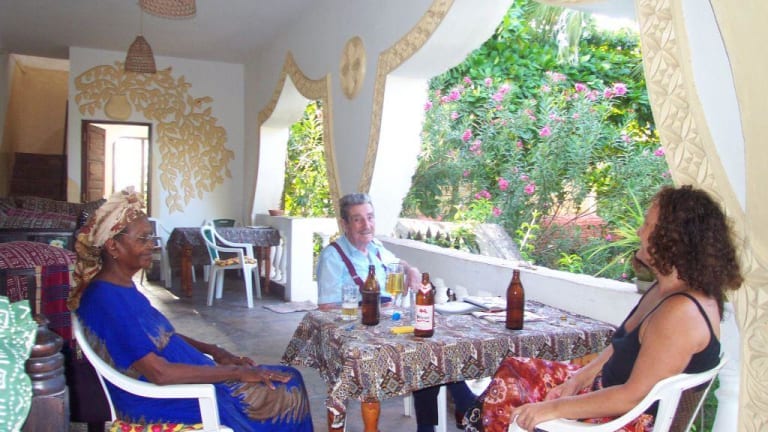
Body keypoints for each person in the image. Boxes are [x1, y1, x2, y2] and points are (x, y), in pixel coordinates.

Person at [464, 185, 743, 432]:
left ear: (672, 239)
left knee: (511, 397)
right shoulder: (665, 290)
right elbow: (618, 347)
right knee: (516, 369)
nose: (639, 232)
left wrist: (553, 409)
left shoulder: (681, 314)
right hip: (607, 394)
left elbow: (632, 397)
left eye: (648, 225)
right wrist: (577, 380)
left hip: (624, 420)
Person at [67, 188, 313, 432]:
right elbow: (160, 373)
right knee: (288, 389)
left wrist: (214, 351)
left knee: (287, 378)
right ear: (113, 246)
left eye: (151, 238)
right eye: (143, 239)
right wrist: (235, 372)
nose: (151, 245)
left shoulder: (120, 287)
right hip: (169, 400)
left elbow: (161, 335)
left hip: (190, 384)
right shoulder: (106, 300)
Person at [316, 192, 475, 432]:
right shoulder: (333, 256)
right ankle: (468, 407)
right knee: (424, 355)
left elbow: (398, 263)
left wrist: (410, 270)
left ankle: (440, 420)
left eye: (370, 217)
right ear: (345, 224)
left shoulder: (376, 247)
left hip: (390, 326)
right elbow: (326, 308)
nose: (366, 224)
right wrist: (371, 309)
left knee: (435, 346)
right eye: (358, 219)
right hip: (360, 336)